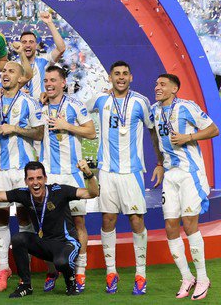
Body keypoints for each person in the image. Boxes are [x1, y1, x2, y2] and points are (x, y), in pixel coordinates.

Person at [88, 60, 161, 295]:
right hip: (107, 171)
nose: (121, 77)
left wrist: (160, 162)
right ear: (110, 77)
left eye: (125, 74)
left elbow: (152, 130)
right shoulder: (100, 99)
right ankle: (111, 272)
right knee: (108, 219)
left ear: (131, 77)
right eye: (117, 74)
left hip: (132, 172)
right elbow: (79, 110)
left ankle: (141, 274)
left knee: (136, 220)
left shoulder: (141, 102)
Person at [0, 160, 99, 297]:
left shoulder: (59, 191)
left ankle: (70, 281)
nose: (35, 183)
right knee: (18, 239)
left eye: (39, 178)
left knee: (61, 262)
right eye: (31, 179)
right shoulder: (24, 194)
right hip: (45, 243)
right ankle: (25, 285)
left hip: (66, 243)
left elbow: (93, 193)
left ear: (45, 179)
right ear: (26, 181)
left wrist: (88, 174)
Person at [150, 73, 219, 300]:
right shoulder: (154, 110)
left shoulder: (186, 107)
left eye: (163, 84)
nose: (157, 87)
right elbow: (154, 136)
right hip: (170, 175)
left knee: (189, 224)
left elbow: (213, 129)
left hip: (190, 174)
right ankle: (187, 277)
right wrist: (159, 163)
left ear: (174, 89)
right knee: (170, 226)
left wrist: (188, 137)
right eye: (156, 84)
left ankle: (203, 278)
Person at [0, 61, 43, 292]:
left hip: (21, 170)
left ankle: (24, 269)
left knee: (25, 217)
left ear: (21, 78)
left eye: (11, 71)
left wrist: (15, 128)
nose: (5, 74)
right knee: (0, 217)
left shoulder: (29, 102)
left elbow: (39, 133)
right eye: (4, 71)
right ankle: (4, 268)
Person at [38, 65, 96, 292]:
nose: (49, 84)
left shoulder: (75, 105)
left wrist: (67, 126)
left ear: (63, 83)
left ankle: (80, 272)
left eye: (53, 80)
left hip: (72, 174)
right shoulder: (40, 105)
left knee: (78, 223)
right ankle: (52, 271)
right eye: (46, 80)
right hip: (49, 174)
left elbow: (91, 132)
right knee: (47, 225)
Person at [17, 11, 66, 98]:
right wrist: (17, 91)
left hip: (41, 104)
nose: (28, 45)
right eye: (24, 42)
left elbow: (61, 48)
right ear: (20, 45)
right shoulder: (15, 66)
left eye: (31, 42)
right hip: (21, 105)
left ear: (36, 45)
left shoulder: (44, 61)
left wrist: (49, 23)